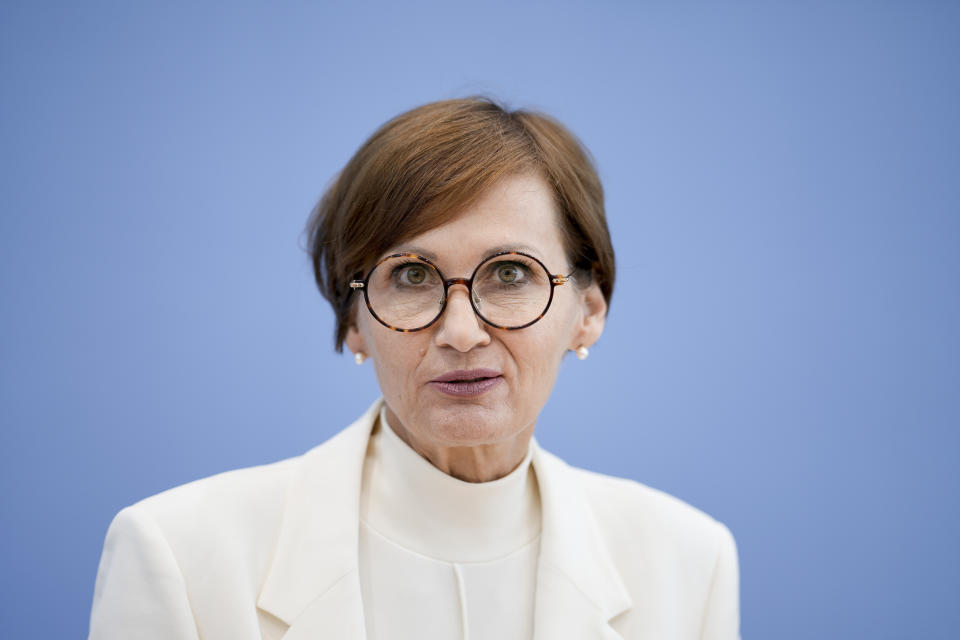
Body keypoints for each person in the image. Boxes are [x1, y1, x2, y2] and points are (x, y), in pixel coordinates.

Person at [89, 98, 741, 640]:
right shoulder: (178, 553)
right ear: (354, 323)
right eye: (410, 275)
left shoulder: (688, 562)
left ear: (588, 312)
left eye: (511, 273)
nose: (461, 333)